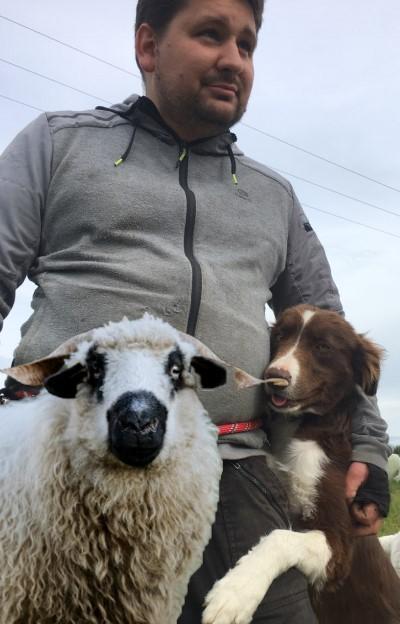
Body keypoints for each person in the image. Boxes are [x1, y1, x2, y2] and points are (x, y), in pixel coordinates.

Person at [0, 0, 390, 621]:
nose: (234, 59)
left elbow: (330, 335)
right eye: (211, 34)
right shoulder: (56, 144)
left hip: (237, 465)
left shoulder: (273, 196)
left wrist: (368, 447)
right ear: (149, 47)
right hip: (65, 458)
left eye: (247, 43)